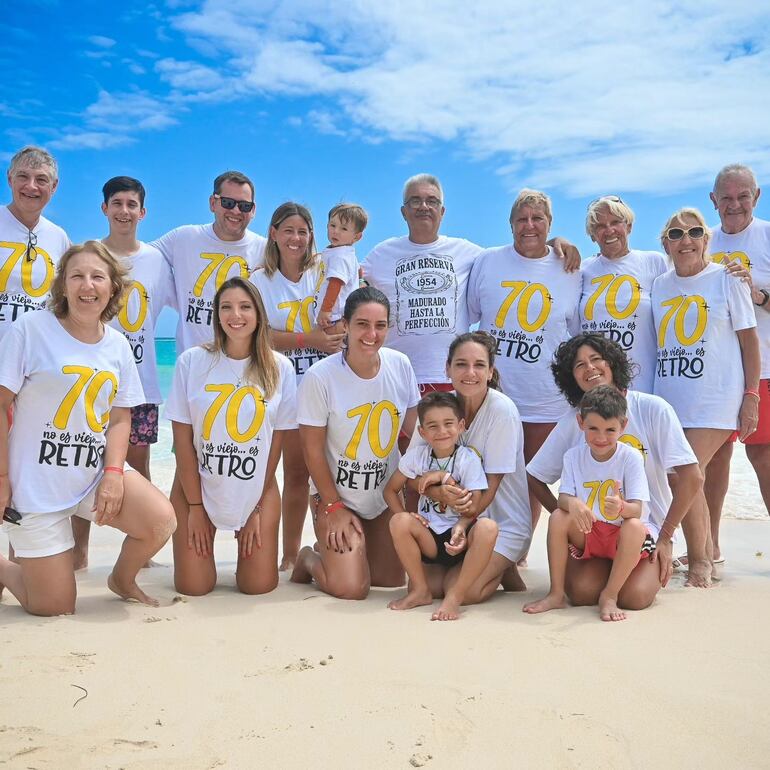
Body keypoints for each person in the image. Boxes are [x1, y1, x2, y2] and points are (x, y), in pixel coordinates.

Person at [0, 241, 175, 615]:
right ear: (62, 285)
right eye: (77, 275)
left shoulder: (117, 345)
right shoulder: (30, 329)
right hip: (35, 485)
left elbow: (119, 417)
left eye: (98, 276)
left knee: (161, 520)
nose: (87, 285)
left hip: (91, 475)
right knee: (54, 606)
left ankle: (121, 579)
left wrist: (113, 471)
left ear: (113, 287)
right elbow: (0, 406)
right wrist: (2, 478)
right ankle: (5, 567)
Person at [362, 174, 580, 398]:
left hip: (453, 379)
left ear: (442, 211)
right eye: (415, 201)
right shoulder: (380, 254)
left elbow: (520, 255)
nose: (424, 207)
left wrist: (555, 243)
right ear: (403, 211)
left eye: (432, 201)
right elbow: (346, 284)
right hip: (397, 377)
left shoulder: (470, 253)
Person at [526, 333, 702, 604]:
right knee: (583, 593)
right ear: (570, 376)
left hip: (641, 527)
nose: (590, 368)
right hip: (593, 532)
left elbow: (692, 478)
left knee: (634, 598)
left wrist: (666, 537)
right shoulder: (572, 422)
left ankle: (630, 571)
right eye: (579, 365)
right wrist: (569, 519)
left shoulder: (653, 409)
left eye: (596, 359)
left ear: (613, 363)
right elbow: (535, 476)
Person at [166, 277, 296, 595]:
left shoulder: (281, 368)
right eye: (226, 307)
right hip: (194, 485)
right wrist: (196, 507)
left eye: (244, 307)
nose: (235, 315)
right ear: (216, 314)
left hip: (257, 489)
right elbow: (182, 442)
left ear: (258, 314)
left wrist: (254, 508)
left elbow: (274, 446)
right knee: (194, 587)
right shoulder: (192, 362)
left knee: (258, 586)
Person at [467, 189, 582, 551]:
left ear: (550, 225)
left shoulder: (571, 268)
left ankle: (517, 554)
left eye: (538, 219)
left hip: (547, 396)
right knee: (486, 475)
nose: (529, 225)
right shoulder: (487, 261)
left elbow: (576, 332)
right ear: (511, 224)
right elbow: (471, 316)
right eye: (522, 219)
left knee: (532, 480)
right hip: (494, 394)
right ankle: (481, 547)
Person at [652, 207, 760, 586]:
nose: (686, 241)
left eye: (695, 232)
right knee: (679, 476)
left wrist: (751, 395)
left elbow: (750, 340)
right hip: (670, 398)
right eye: (676, 234)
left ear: (706, 239)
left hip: (715, 399)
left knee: (687, 474)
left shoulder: (727, 279)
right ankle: (707, 549)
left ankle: (700, 562)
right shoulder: (659, 284)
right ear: (666, 243)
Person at [290, 287, 420, 599]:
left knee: (391, 582)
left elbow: (416, 436)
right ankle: (309, 557)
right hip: (335, 497)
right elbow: (311, 451)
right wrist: (333, 506)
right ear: (345, 326)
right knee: (351, 589)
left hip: (383, 495)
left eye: (380, 325)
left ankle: (346, 552)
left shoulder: (400, 364)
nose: (371, 334)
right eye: (362, 324)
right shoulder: (320, 377)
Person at [251, 203, 345, 571]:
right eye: (288, 230)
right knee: (294, 473)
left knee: (326, 473)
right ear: (273, 233)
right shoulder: (259, 280)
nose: (296, 238)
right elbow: (258, 334)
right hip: (283, 388)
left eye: (302, 231)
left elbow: (344, 321)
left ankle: (328, 547)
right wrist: (311, 340)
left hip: (327, 387)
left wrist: (329, 339)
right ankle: (289, 555)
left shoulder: (325, 273)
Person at [408, 331, 533, 603]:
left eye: (479, 365)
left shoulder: (502, 411)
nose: (470, 372)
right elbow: (407, 477)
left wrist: (462, 517)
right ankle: (495, 568)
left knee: (462, 592)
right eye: (461, 364)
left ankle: (501, 566)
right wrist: (435, 493)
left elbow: (493, 485)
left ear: (490, 372)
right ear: (448, 369)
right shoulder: (437, 408)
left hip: (501, 522)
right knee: (431, 587)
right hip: (449, 523)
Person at [523, 386, 653, 622]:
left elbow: (638, 509)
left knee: (634, 526)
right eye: (593, 428)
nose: (601, 437)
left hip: (621, 539)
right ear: (580, 422)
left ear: (623, 426)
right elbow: (563, 498)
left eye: (610, 430)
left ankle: (610, 595)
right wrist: (573, 503)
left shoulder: (630, 457)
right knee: (558, 517)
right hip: (589, 531)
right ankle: (556, 593)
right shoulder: (573, 456)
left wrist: (622, 507)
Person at [700, 165, 770, 563]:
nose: (735, 204)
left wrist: (757, 294)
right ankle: (710, 548)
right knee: (714, 459)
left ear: (756, 197)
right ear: (714, 201)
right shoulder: (701, 240)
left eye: (743, 196)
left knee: (763, 457)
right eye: (726, 197)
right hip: (716, 373)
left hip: (764, 369)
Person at [384, 391, 498, 620]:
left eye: (448, 424)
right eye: (433, 426)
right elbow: (389, 490)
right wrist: (409, 517)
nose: (442, 431)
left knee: (488, 527)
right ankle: (420, 590)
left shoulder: (468, 459)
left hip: (459, 537)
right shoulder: (417, 456)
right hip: (429, 538)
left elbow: (474, 505)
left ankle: (454, 599)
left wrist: (461, 524)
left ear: (461, 426)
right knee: (399, 521)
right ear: (422, 432)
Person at [152, 170, 266, 353]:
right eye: (228, 203)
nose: (236, 211)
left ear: (253, 210)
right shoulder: (184, 238)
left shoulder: (265, 249)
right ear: (213, 203)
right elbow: (137, 259)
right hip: (193, 366)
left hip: (246, 365)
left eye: (244, 206)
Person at [580, 195, 667, 393]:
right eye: (600, 226)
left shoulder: (655, 262)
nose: (609, 230)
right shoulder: (582, 271)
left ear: (628, 226)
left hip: (643, 386)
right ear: (592, 235)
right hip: (595, 389)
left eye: (616, 222)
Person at [1, 146, 69, 338]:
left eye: (41, 179)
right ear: (9, 179)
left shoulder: (59, 237)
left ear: (54, 186)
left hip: (36, 355)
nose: (31, 186)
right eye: (23, 176)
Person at [315, 203, 368, 332]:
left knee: (334, 348)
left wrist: (325, 310)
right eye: (332, 225)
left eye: (344, 229)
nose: (336, 231)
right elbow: (359, 270)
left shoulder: (339, 256)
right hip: (342, 313)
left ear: (357, 236)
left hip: (334, 316)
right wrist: (359, 281)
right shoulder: (346, 252)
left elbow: (335, 283)